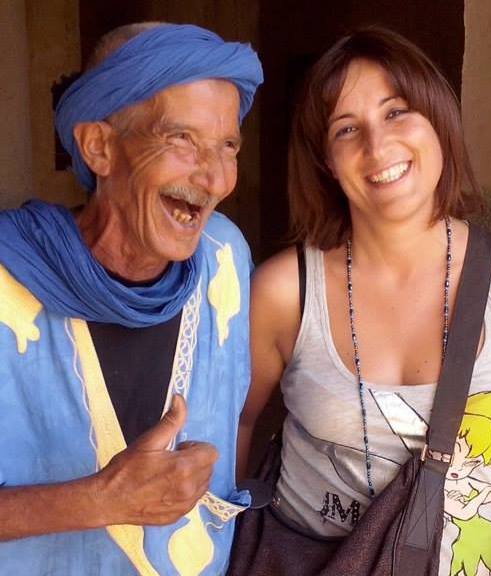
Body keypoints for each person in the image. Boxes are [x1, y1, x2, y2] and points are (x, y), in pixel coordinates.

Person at [238, 28, 491, 575]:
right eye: (347, 129)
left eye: (397, 112)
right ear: (326, 161)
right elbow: (230, 427)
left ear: (438, 119)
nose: (377, 146)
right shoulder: (284, 291)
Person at [0, 22, 262, 575]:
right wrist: (99, 500)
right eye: (181, 139)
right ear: (99, 147)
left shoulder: (224, 257)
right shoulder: (7, 279)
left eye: (228, 146)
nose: (215, 178)